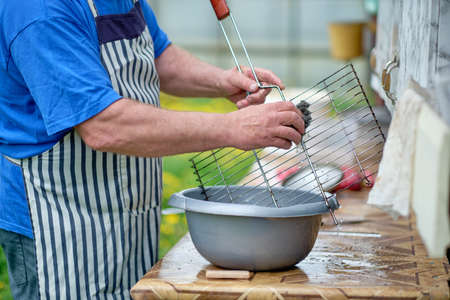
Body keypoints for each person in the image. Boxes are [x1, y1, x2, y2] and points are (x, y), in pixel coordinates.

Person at [0, 0, 305, 299]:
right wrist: (234, 128)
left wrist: (221, 82)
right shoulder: (38, 8)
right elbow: (103, 126)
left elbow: (157, 56)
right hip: (57, 226)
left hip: (128, 215)